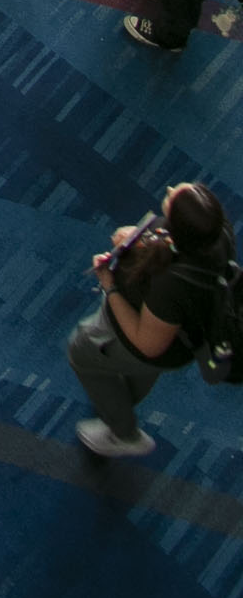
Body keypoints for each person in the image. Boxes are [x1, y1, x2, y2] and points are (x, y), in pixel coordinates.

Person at [65, 181, 234, 456]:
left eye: (173, 196)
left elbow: (148, 345)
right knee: (138, 374)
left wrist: (110, 286)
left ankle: (123, 434)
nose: (168, 188)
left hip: (155, 342)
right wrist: (139, 240)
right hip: (180, 334)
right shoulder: (217, 234)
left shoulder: (171, 286)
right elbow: (171, 246)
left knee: (81, 351)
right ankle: (120, 400)